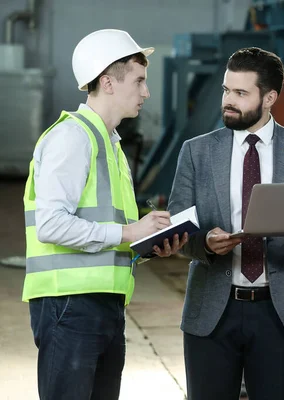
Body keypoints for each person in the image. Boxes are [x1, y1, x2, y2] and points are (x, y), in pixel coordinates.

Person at [168, 47, 284, 400]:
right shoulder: (196, 152)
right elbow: (176, 224)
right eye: (226, 90)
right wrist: (202, 242)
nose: (228, 101)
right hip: (213, 312)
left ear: (270, 98)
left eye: (241, 93)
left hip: (280, 315)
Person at [22, 29, 187, 400]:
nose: (146, 93)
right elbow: (51, 225)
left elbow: (109, 232)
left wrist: (147, 245)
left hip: (104, 304)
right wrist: (130, 233)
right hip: (69, 304)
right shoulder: (73, 138)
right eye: (139, 81)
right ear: (108, 82)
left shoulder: (110, 146)